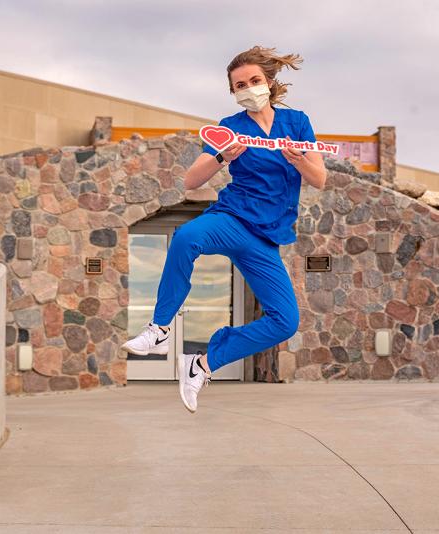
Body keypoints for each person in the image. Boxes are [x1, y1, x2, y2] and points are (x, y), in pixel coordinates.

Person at [122, 45, 327, 413]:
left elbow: (320, 179)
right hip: (232, 219)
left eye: (254, 81)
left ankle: (204, 362)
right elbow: (190, 180)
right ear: (233, 92)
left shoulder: (296, 124)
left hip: (266, 238)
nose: (248, 88)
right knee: (186, 237)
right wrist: (222, 157)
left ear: (269, 82)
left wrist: (299, 161)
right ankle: (160, 329)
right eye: (239, 85)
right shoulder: (229, 128)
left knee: (286, 322)